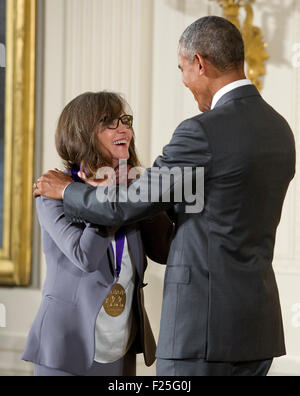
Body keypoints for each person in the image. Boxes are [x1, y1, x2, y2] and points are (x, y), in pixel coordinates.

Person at [33, 16, 296, 376]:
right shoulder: (280, 129)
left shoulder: (201, 132)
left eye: (182, 69)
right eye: (109, 123)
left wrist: (68, 190)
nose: (185, 81)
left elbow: (126, 205)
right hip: (257, 329)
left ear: (200, 63)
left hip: (201, 332)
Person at [24, 92, 174, 376]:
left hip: (121, 345)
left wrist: (142, 195)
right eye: (109, 122)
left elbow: (164, 251)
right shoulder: (52, 192)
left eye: (125, 121)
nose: (124, 129)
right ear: (82, 134)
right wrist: (109, 196)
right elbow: (85, 256)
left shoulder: (132, 190)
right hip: (66, 347)